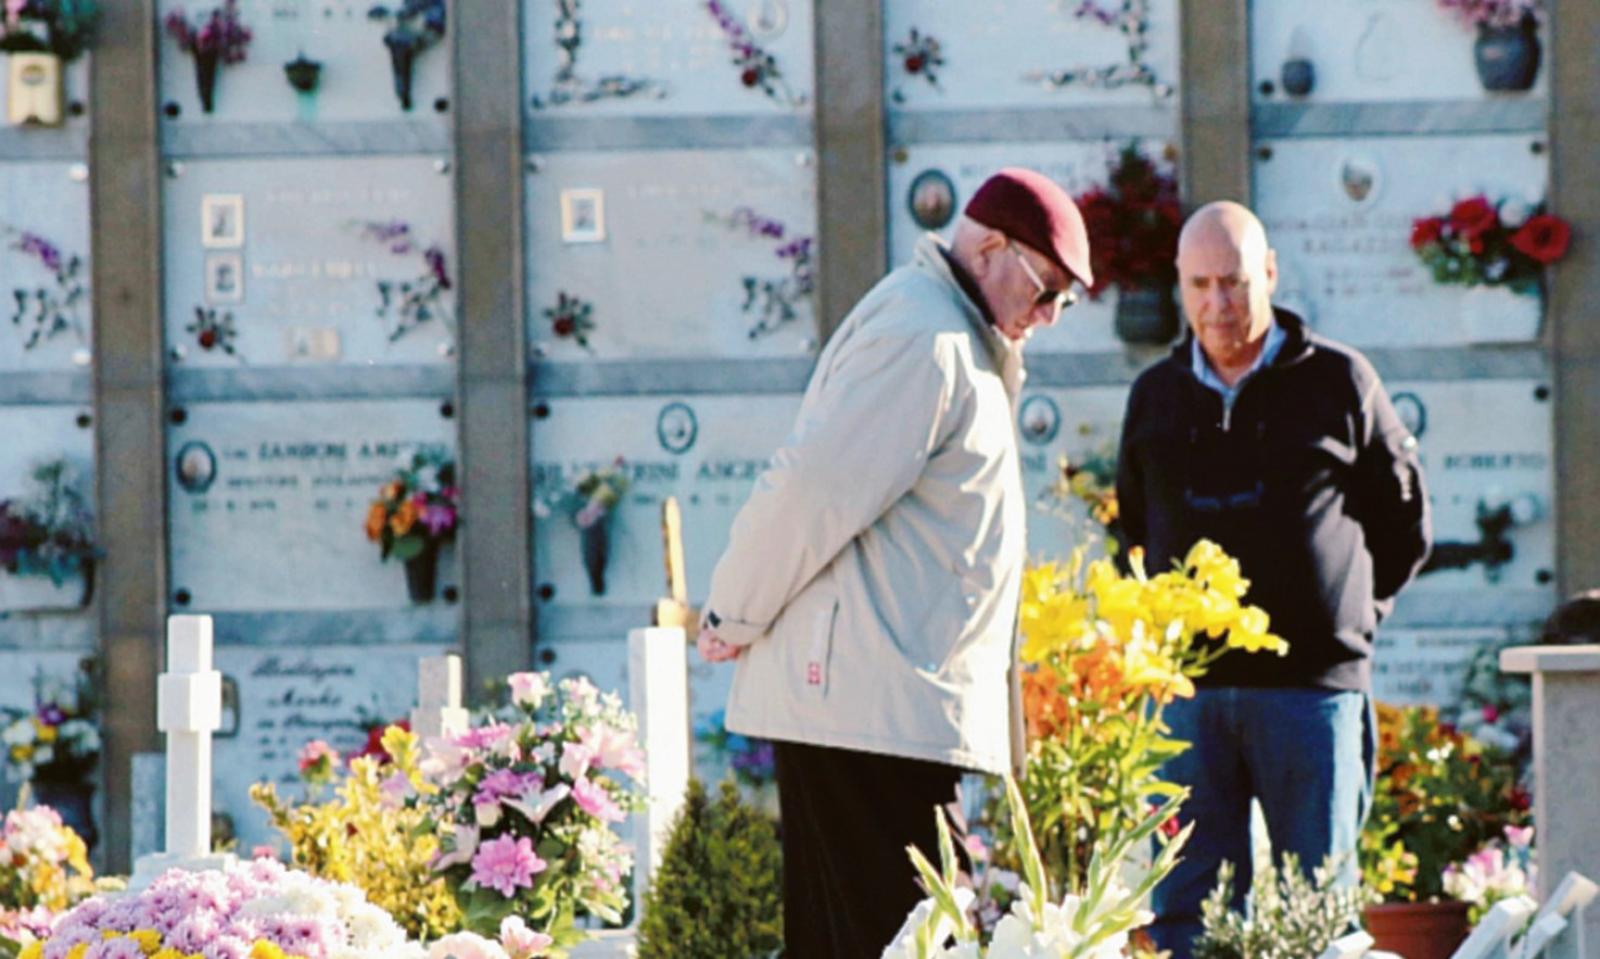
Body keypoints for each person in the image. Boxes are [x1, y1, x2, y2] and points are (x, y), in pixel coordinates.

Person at [696, 168, 1092, 957]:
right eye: (1046, 290)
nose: (1048, 317)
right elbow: (812, 490)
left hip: (884, 714)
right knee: (898, 941)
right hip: (866, 722)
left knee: (880, 940)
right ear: (988, 247)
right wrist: (732, 610)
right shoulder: (927, 339)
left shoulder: (948, 334)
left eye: (1064, 303)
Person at [1115, 201, 1432, 956]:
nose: (1217, 305)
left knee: (1317, 912)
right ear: (1179, 287)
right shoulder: (1156, 396)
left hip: (1311, 691)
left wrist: (1344, 618)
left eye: (1234, 282)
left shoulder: (1339, 381)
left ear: (1270, 274)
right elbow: (1133, 527)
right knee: (1188, 914)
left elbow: (1405, 524)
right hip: (1190, 698)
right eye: (1199, 285)